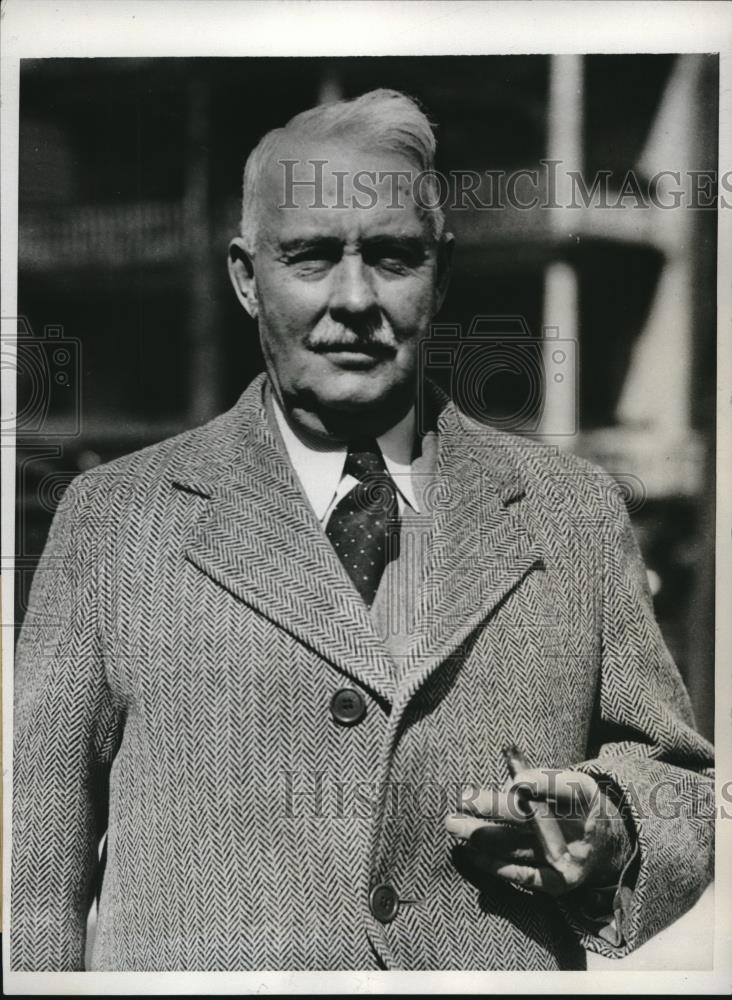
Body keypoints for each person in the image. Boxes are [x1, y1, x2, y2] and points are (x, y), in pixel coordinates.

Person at [11, 88, 714, 972]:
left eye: (391, 257)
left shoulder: (570, 510)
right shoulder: (115, 521)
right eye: (309, 257)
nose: (354, 298)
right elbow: (34, 876)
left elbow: (675, 776)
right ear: (244, 275)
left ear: (442, 273)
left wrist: (607, 824)